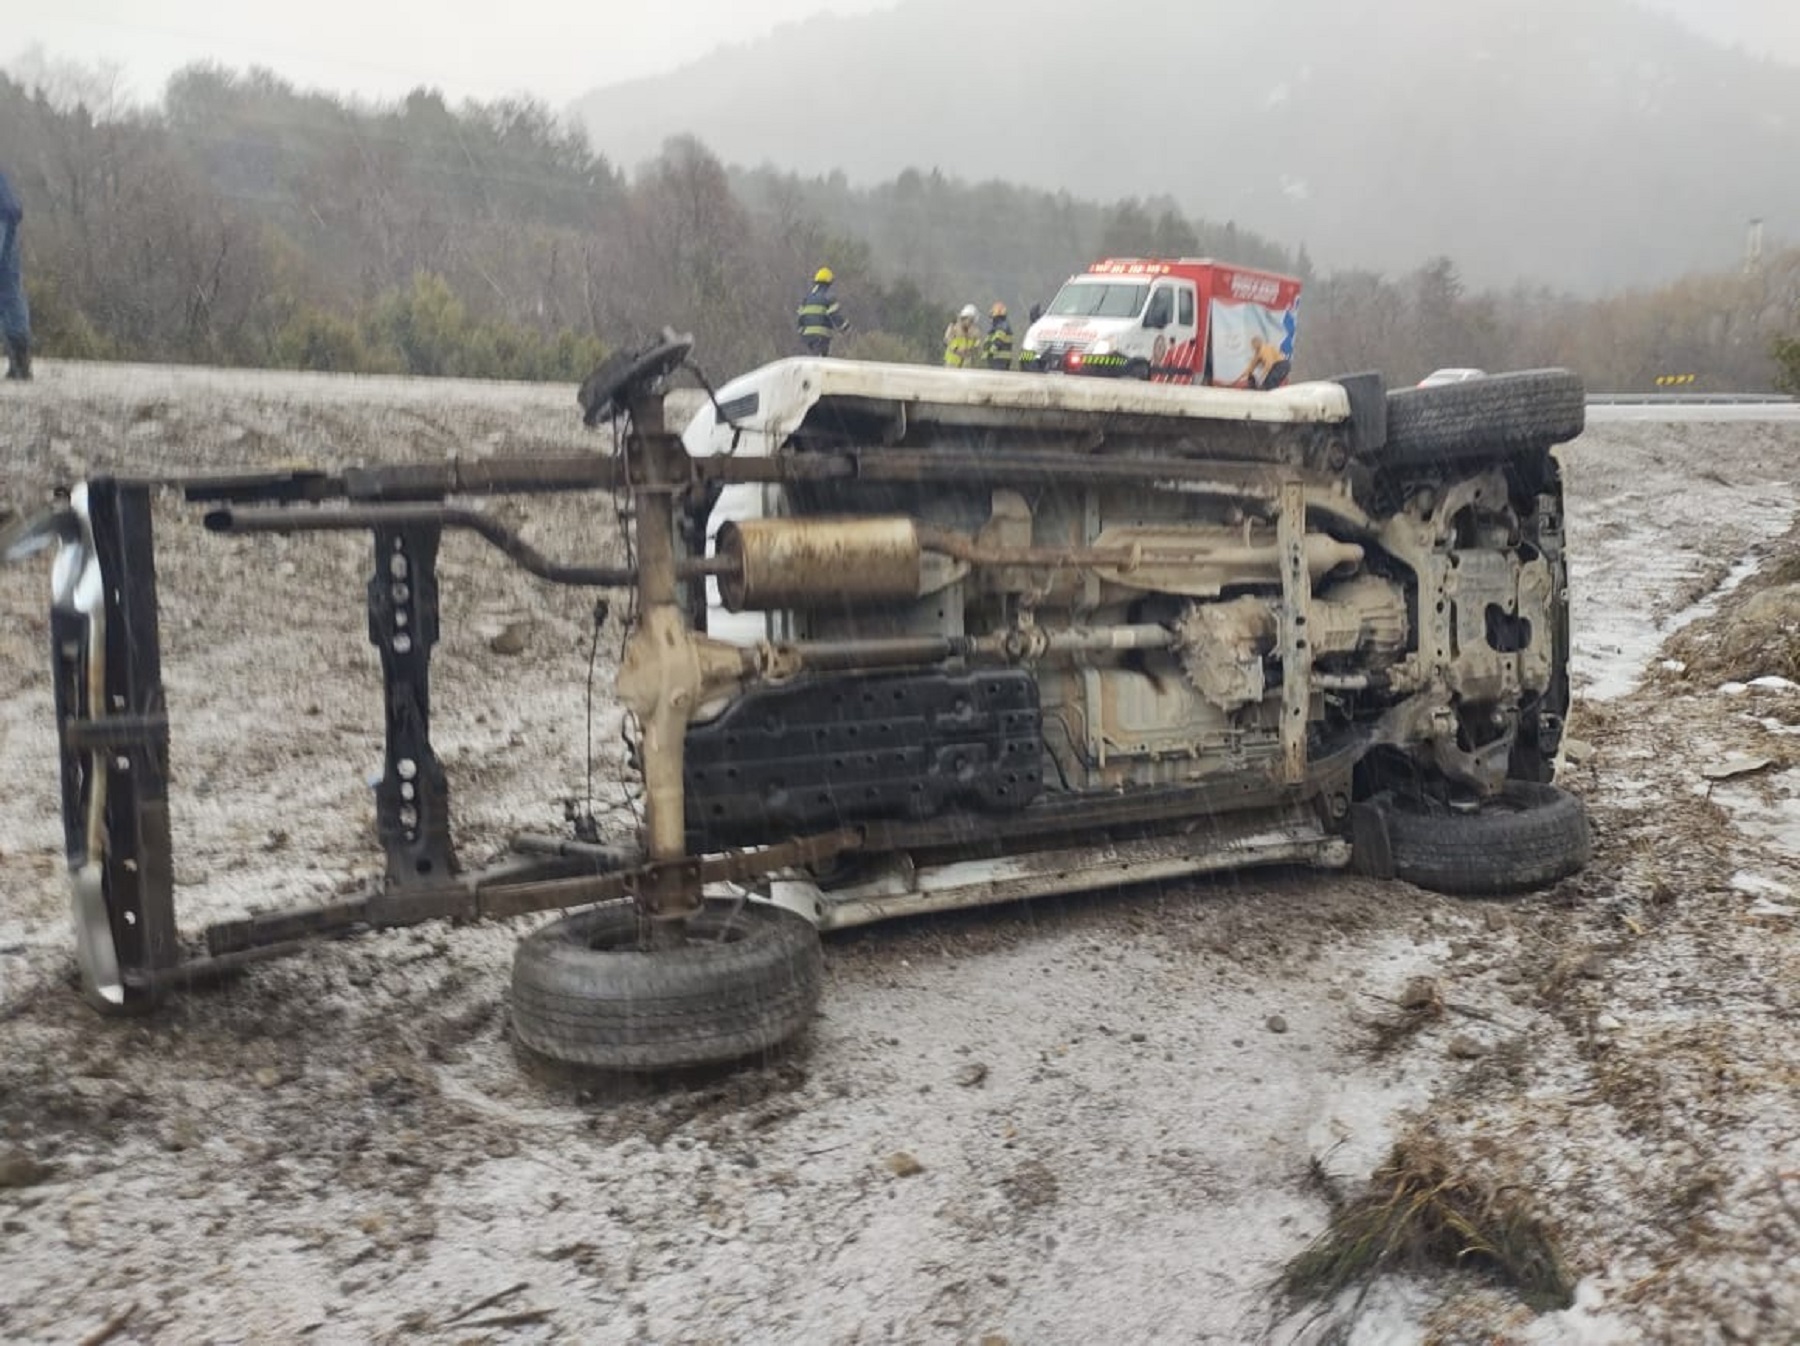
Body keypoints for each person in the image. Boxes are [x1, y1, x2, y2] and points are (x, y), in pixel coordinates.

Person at [0, 169, 29, 381]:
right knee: (9, 291)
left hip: (2, 216)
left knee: (9, 292)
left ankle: (20, 364)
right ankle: (20, 365)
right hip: (5, 216)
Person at [796, 266, 848, 357]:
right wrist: (845, 326)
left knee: (810, 360)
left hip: (807, 337)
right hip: (821, 336)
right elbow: (834, 315)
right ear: (829, 282)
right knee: (820, 361)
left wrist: (801, 332)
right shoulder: (828, 297)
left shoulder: (807, 298)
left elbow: (800, 318)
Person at [943, 304, 982, 368]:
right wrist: (957, 350)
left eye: (973, 321)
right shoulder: (953, 327)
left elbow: (977, 347)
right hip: (951, 364)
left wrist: (972, 350)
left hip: (965, 366)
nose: (971, 323)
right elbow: (947, 340)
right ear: (965, 317)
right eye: (970, 320)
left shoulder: (974, 332)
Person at [984, 302, 1015, 370]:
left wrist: (990, 353)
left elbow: (998, 341)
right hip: (998, 360)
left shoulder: (1001, 326)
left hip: (999, 360)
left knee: (997, 379)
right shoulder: (1000, 325)